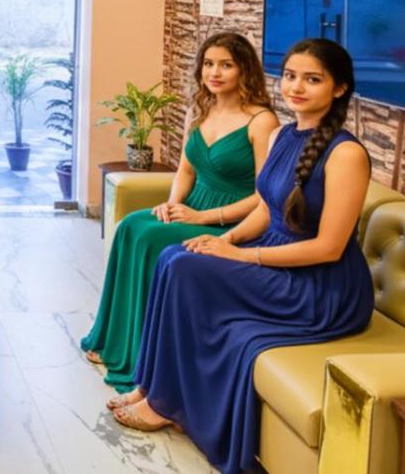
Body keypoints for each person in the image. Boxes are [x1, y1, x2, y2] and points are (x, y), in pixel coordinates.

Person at [109, 38, 374, 474]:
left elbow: (328, 247)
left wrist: (241, 257)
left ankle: (163, 403)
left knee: (186, 270)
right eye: (290, 76)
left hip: (320, 286)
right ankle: (152, 385)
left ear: (340, 88)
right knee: (175, 257)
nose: (296, 87)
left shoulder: (346, 154)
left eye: (312, 79)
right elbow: (267, 209)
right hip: (278, 257)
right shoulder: (283, 135)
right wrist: (225, 241)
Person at [81, 32, 277, 391]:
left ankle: (142, 358)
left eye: (226, 65)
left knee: (151, 238)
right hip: (192, 208)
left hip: (233, 222)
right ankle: (116, 341)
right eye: (208, 64)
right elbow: (186, 171)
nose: (214, 72)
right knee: (130, 227)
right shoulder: (199, 111)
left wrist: (203, 218)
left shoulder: (262, 121)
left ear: (245, 70)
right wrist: (173, 205)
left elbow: (264, 196)